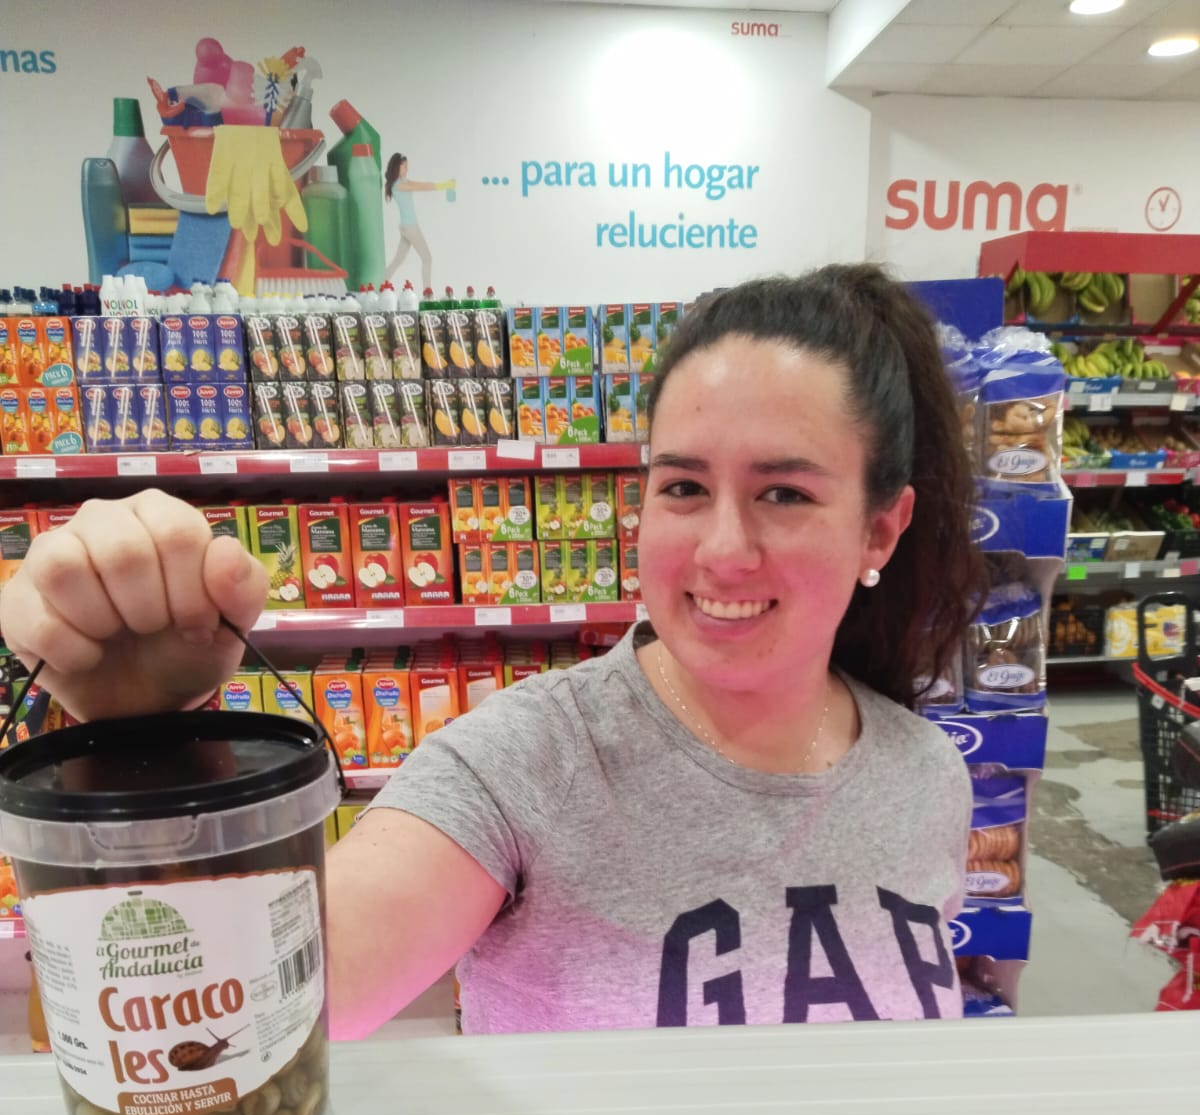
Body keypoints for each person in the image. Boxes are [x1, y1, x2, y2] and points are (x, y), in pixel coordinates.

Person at [1, 266, 983, 1040]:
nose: (722, 548)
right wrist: (145, 753)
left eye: (785, 493)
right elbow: (251, 1012)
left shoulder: (927, 776)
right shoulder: (521, 762)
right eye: (683, 487)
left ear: (881, 530)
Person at [383, 152, 449, 291]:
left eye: (407, 167)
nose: (407, 169)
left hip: (406, 227)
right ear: (397, 167)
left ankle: (380, 285)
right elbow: (421, 187)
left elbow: (420, 184)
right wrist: (443, 186)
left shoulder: (403, 181)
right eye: (404, 167)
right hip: (411, 228)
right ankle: (427, 291)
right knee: (427, 258)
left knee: (398, 260)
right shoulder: (397, 186)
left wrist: (441, 185)